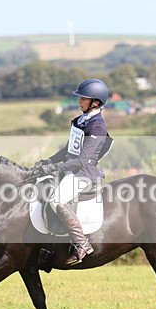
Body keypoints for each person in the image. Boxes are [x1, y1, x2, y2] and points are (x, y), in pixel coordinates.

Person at [34, 78, 112, 264]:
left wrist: (53, 168)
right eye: (80, 98)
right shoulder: (80, 121)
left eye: (83, 99)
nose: (79, 101)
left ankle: (82, 244)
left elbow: (82, 160)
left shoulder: (97, 127)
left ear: (96, 103)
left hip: (83, 173)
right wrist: (49, 161)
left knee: (56, 200)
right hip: (71, 170)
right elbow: (69, 150)